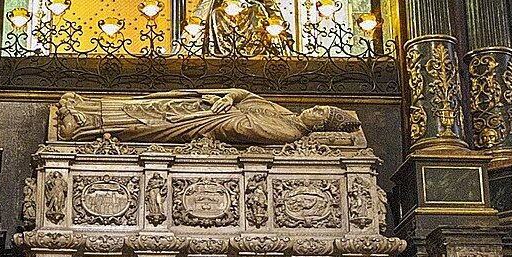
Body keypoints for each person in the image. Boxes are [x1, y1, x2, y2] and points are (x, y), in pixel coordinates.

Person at [54, 88, 360, 145]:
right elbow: (244, 94)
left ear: (322, 125)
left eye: (320, 112)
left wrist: (223, 110)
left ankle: (84, 126)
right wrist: (227, 98)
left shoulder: (290, 133)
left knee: (150, 124)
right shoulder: (283, 112)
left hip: (207, 122)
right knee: (153, 103)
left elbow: (240, 129)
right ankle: (86, 107)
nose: (314, 108)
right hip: (209, 108)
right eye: (318, 107)